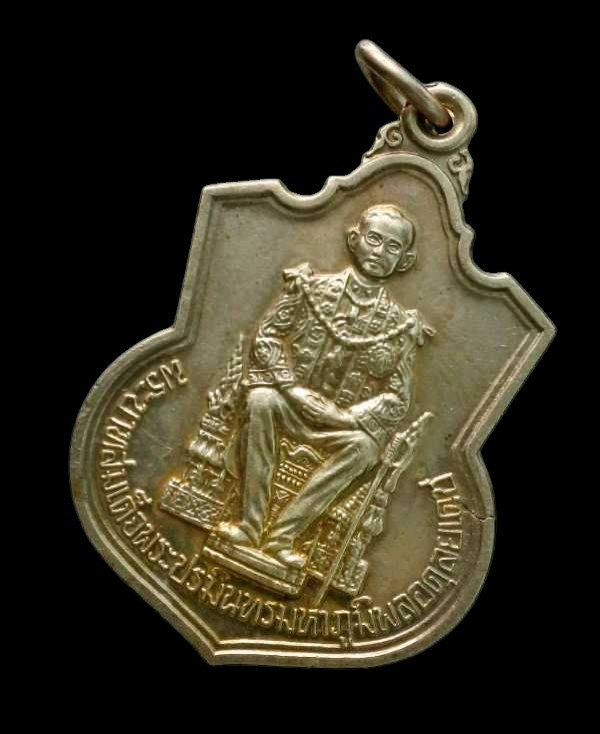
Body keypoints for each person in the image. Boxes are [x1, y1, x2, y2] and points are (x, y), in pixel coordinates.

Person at [216, 204, 434, 569]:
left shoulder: (401, 326)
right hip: (289, 404)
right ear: (354, 240)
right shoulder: (311, 288)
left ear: (405, 261)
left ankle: (282, 537)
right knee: (261, 399)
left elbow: (399, 398)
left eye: (393, 247)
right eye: (374, 239)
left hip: (339, 425)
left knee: (365, 447)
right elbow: (267, 337)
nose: (380, 251)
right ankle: (250, 526)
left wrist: (347, 417)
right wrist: (291, 388)